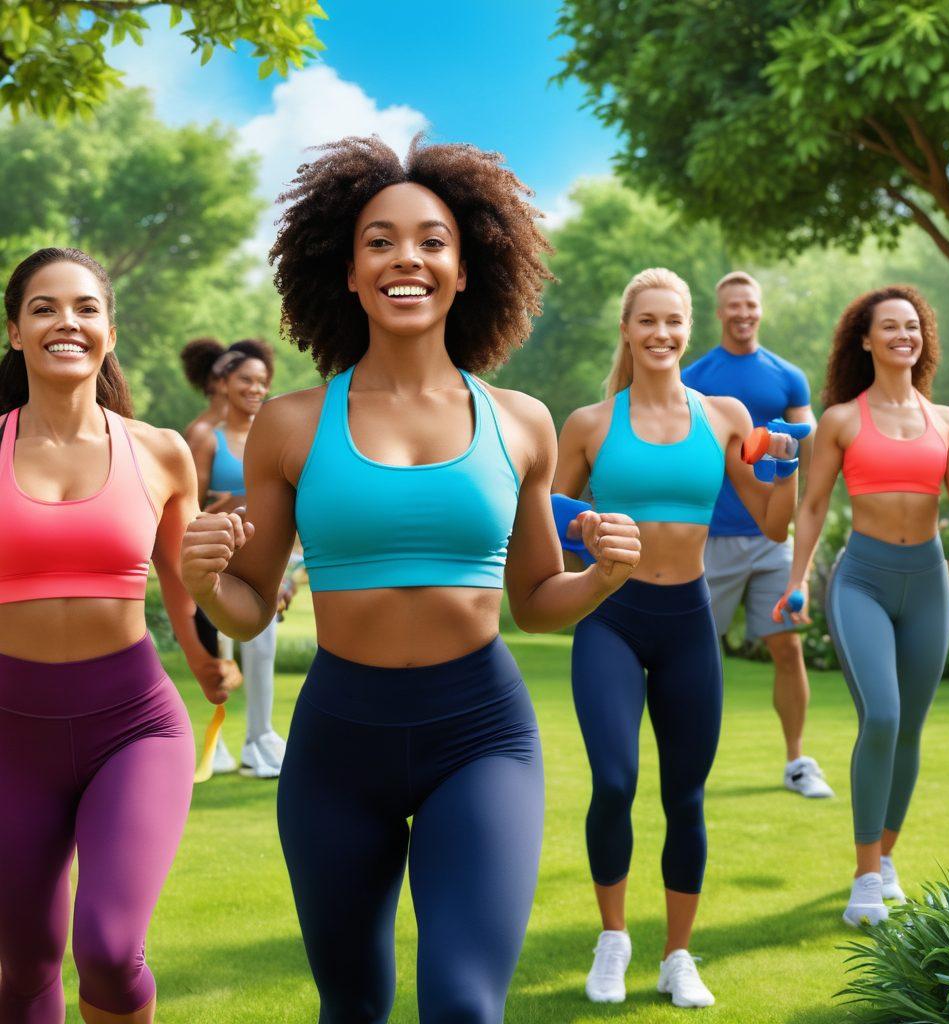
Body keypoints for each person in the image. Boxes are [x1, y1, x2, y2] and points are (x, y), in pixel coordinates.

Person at [180, 135, 642, 1024]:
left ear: (466, 271)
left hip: (480, 736)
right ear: (348, 272)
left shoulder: (521, 423)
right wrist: (206, 585)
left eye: (432, 241)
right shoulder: (290, 424)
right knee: (352, 1004)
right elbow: (249, 607)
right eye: (380, 241)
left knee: (464, 1005)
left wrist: (602, 581)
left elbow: (535, 602)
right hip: (338, 744)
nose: (407, 259)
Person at [0, 247, 237, 1024]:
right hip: (9, 734)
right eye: (43, 308)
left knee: (107, 949)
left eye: (86, 307)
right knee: (24, 962)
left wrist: (205, 660)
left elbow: (181, 579)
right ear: (15, 332)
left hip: (132, 728)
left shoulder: (161, 451)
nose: (66, 322)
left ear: (109, 330)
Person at [553, 267, 801, 1009]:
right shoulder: (590, 424)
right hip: (611, 618)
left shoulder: (725, 416)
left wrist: (787, 467)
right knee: (615, 781)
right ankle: (613, 939)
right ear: (627, 331)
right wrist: (581, 527)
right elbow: (545, 519)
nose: (661, 333)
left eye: (673, 321)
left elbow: (773, 524)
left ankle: (678, 956)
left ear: (688, 329)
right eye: (648, 321)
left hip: (688, 622)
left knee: (685, 796)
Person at [778, 285, 949, 927]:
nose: (902, 335)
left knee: (909, 726)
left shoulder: (947, 422)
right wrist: (798, 580)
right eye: (889, 326)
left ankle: (886, 858)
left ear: (923, 337)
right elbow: (812, 505)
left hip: (928, 583)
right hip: (862, 581)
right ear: (865, 340)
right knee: (881, 716)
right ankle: (864, 879)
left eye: (912, 325)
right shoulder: (841, 420)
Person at [682, 271, 833, 798]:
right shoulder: (696, 376)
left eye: (750, 304)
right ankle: (688, 765)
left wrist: (808, 489)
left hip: (773, 539)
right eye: (733, 306)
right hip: (712, 539)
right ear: (719, 313)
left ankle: (797, 763)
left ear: (760, 309)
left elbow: (811, 442)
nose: (743, 313)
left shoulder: (787, 376)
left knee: (788, 648)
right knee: (695, 655)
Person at [187, 339, 285, 778]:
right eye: (246, 380)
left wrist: (291, 570)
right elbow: (187, 507)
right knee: (223, 652)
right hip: (220, 563)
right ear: (224, 383)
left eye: (262, 382)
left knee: (262, 649)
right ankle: (219, 742)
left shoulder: (272, 435)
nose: (256, 389)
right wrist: (222, 508)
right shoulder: (206, 438)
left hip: (265, 561)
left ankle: (260, 739)